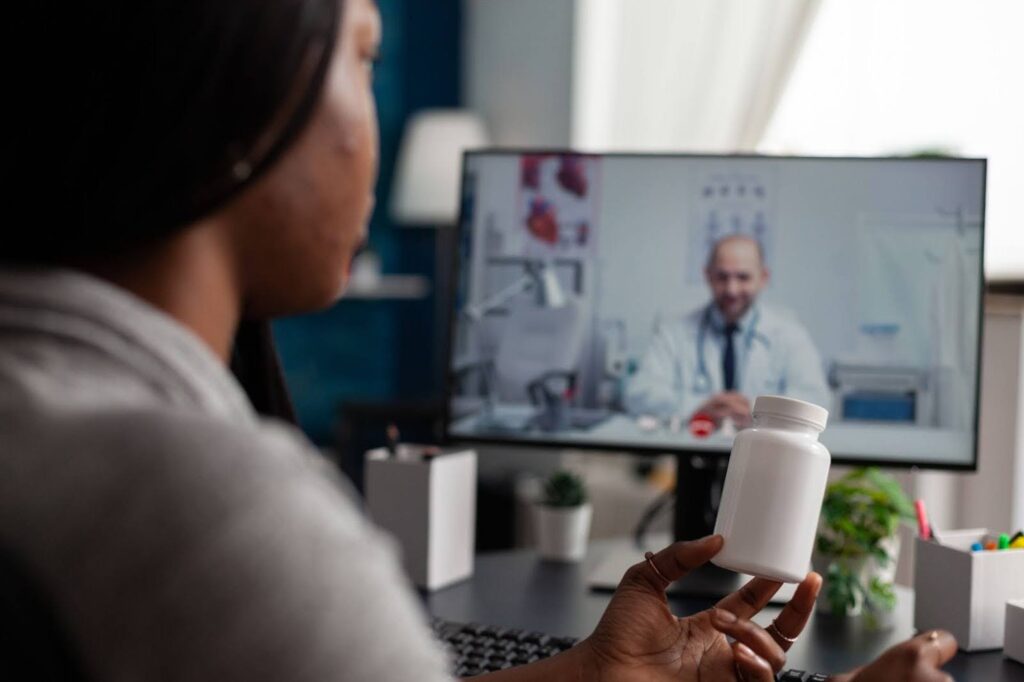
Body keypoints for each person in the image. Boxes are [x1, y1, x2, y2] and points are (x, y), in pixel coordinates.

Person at [0, 1, 956, 680]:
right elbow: (650, 394)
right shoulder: (218, 517)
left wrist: (593, 676)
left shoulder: (38, 413)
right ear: (244, 88)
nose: (376, 121)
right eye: (366, 58)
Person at [626, 235, 830, 428]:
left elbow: (817, 400)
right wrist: (700, 407)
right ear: (708, 276)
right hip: (693, 451)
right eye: (722, 277)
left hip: (765, 453)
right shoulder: (673, 331)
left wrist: (755, 410)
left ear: (763, 278)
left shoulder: (790, 334)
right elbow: (639, 394)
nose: (732, 289)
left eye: (743, 277)